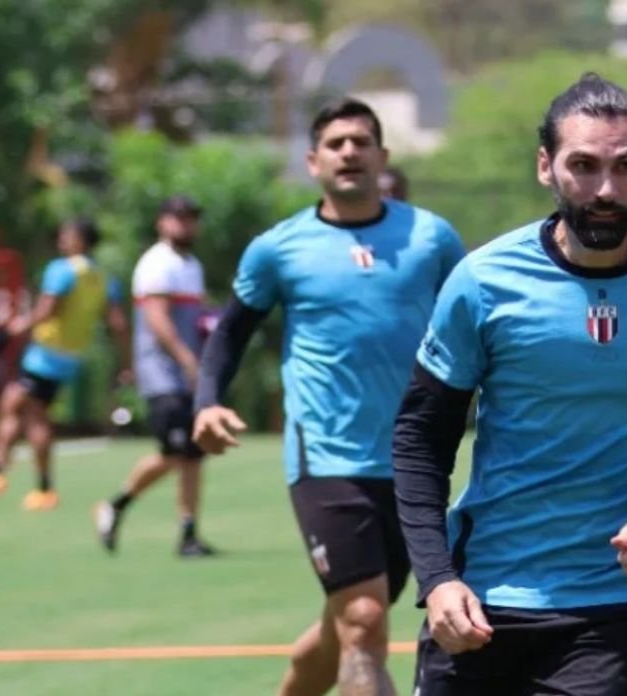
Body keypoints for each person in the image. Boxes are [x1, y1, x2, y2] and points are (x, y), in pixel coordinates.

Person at [392, 72, 627, 696]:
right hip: (484, 591)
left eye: (626, 166)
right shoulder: (483, 282)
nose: (605, 189)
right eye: (584, 165)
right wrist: (436, 579)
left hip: (622, 599)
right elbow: (420, 439)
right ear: (545, 167)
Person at [191, 98, 465, 695]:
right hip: (326, 459)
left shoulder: (430, 238)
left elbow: (476, 326)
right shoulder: (278, 248)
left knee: (347, 621)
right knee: (364, 622)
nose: (349, 152)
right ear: (313, 161)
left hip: (415, 459)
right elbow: (231, 331)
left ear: (382, 157)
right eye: (336, 144)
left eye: (361, 142)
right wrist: (206, 400)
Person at [0, 218, 127, 510]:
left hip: (45, 354)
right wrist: (126, 360)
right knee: (15, 406)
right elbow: (116, 322)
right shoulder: (103, 277)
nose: (62, 239)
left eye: (67, 234)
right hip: (71, 354)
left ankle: (39, 487)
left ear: (80, 239)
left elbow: (47, 310)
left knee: (30, 413)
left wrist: (17, 325)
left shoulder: (61, 270)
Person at [94, 195, 216, 557]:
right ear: (162, 222)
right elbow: (157, 320)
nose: (186, 225)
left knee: (193, 454)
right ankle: (115, 504)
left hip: (186, 374)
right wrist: (186, 359)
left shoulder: (191, 265)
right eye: (179, 218)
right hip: (162, 374)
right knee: (175, 452)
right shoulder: (157, 264)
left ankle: (188, 533)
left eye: (192, 218)